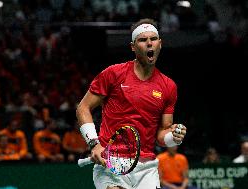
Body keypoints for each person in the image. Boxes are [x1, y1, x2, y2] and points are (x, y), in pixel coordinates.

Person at [76, 18, 187, 189]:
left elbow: (161, 136)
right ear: (133, 47)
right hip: (111, 163)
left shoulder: (168, 86)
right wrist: (94, 143)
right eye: (143, 40)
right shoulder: (113, 74)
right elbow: (83, 108)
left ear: (160, 44)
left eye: (153, 39)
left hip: (147, 168)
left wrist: (174, 138)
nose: (149, 43)